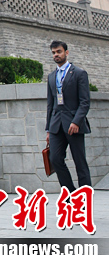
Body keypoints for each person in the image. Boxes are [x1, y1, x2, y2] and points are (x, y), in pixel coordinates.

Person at [46, 40, 92, 191]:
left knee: (80, 163)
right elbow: (50, 104)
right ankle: (71, 194)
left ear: (66, 52)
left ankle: (85, 200)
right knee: (55, 159)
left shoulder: (79, 73)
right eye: (53, 53)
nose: (56, 55)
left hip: (74, 125)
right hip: (56, 125)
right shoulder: (52, 76)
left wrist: (76, 121)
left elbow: (84, 102)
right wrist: (48, 129)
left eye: (59, 52)